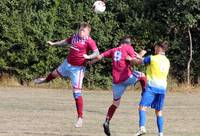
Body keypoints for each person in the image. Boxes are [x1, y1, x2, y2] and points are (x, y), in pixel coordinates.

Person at [34, 22, 99, 128]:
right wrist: (54, 44)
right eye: (80, 29)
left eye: (83, 30)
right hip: (67, 64)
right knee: (54, 74)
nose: (81, 31)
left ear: (88, 32)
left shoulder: (89, 41)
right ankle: (45, 80)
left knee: (77, 93)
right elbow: (65, 42)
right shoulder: (74, 37)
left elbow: (97, 53)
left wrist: (88, 56)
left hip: (78, 70)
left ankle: (80, 118)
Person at [88, 35, 147, 136]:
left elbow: (99, 56)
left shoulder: (113, 50)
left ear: (121, 42)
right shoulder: (129, 48)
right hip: (127, 77)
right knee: (142, 75)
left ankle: (107, 121)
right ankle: (144, 94)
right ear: (129, 43)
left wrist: (90, 62)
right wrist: (142, 55)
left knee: (115, 104)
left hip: (116, 82)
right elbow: (135, 60)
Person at [127, 41, 170, 136]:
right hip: (162, 89)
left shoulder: (152, 58)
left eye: (156, 47)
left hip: (152, 87)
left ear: (160, 48)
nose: (154, 49)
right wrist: (140, 57)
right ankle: (161, 133)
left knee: (142, 107)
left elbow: (138, 62)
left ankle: (142, 128)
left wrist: (130, 59)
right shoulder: (167, 61)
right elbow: (144, 59)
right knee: (159, 112)